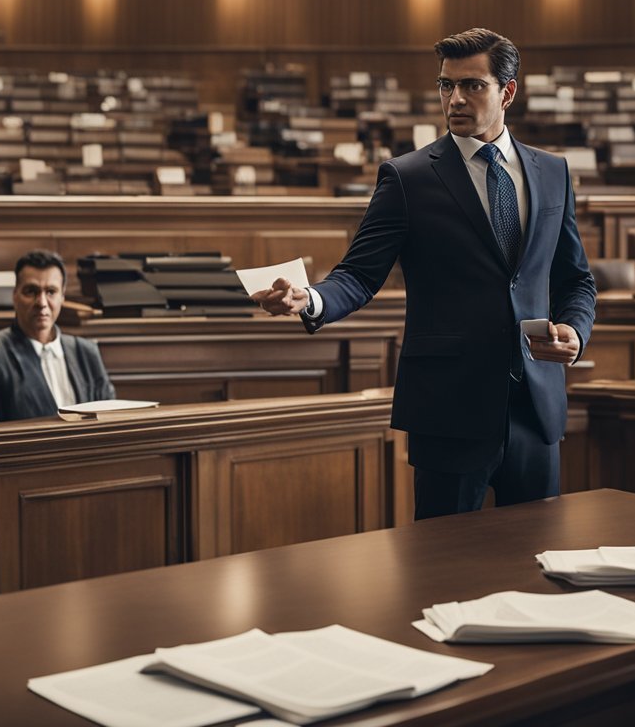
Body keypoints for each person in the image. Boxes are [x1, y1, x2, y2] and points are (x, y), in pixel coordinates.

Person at [254, 28, 596, 520]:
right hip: (449, 410)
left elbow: (576, 280)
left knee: (538, 563)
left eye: (472, 85)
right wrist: (309, 299)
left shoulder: (553, 172)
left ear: (508, 91)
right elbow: (357, 274)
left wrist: (576, 333)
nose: (454, 98)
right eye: (445, 85)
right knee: (444, 573)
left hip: (535, 411)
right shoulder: (407, 177)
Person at [0, 250, 115, 424]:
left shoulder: (87, 352)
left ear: (62, 296)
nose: (42, 303)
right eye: (31, 291)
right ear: (15, 295)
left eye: (51, 292)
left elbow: (109, 423)